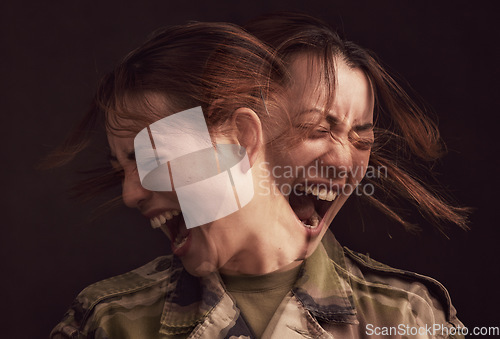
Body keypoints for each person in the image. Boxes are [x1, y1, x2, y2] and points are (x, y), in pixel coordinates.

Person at [50, 16, 468, 339]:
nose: (344, 163)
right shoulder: (109, 318)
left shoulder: (408, 316)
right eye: (317, 129)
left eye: (361, 137)